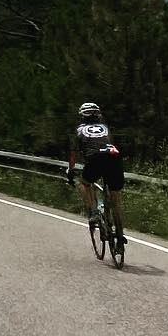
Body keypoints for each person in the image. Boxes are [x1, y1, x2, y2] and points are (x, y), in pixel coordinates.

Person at [66, 101, 125, 249]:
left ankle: (93, 211)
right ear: (98, 115)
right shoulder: (105, 128)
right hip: (114, 157)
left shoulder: (79, 130)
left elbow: (73, 154)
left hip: (95, 158)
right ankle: (119, 234)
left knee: (85, 183)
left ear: (82, 116)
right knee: (115, 197)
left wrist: (70, 170)